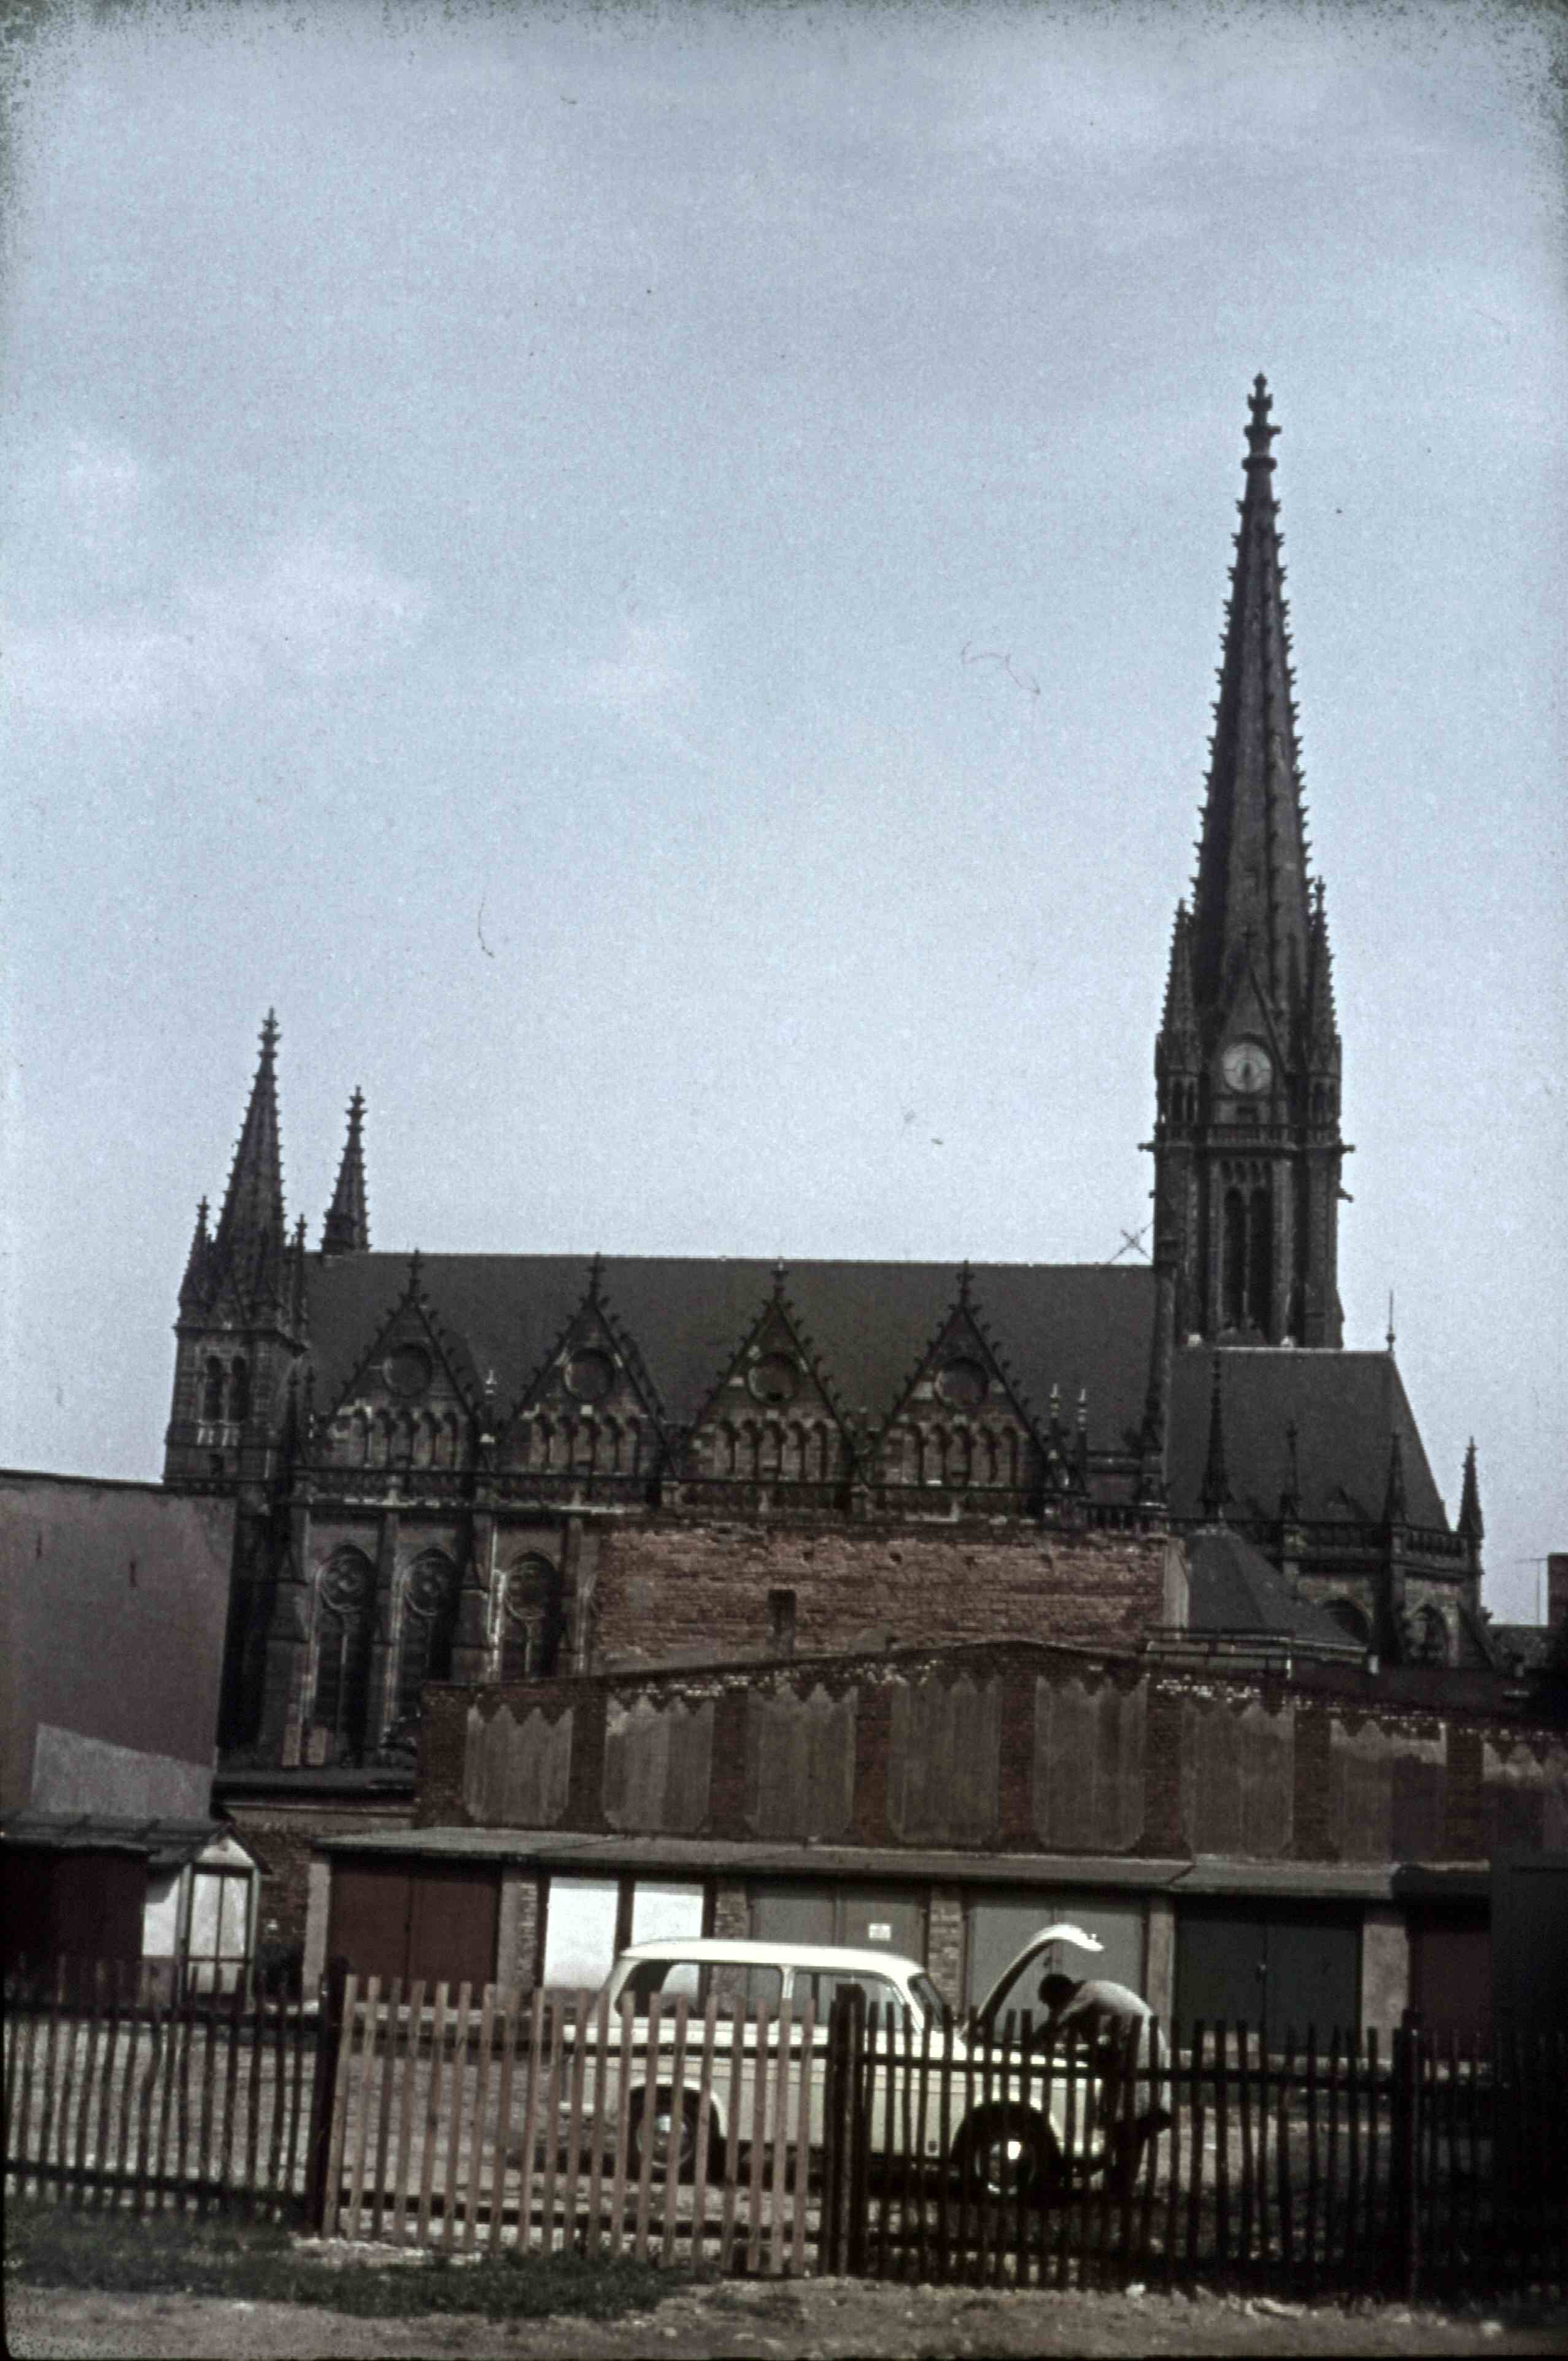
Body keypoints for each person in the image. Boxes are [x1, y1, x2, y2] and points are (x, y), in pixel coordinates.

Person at [1038, 1971, 1171, 2193]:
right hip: (1140, 2044)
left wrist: (1028, 2047)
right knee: (1129, 2118)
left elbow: (1054, 2026)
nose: (1051, 2008)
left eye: (1050, 2002)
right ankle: (1121, 2182)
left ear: (1061, 1993)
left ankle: (1122, 2184)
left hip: (1140, 2049)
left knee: (1130, 2118)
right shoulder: (1092, 1993)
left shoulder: (1083, 1995)